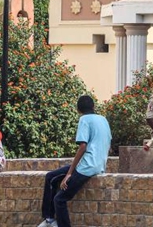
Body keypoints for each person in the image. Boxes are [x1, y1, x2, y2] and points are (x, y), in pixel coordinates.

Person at [37, 95, 111, 227]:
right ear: (93, 107)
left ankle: (55, 222)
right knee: (51, 177)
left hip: (87, 167)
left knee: (59, 199)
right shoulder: (103, 119)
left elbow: (83, 146)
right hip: (98, 165)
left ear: (78, 110)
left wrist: (70, 173)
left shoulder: (84, 119)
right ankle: (49, 219)